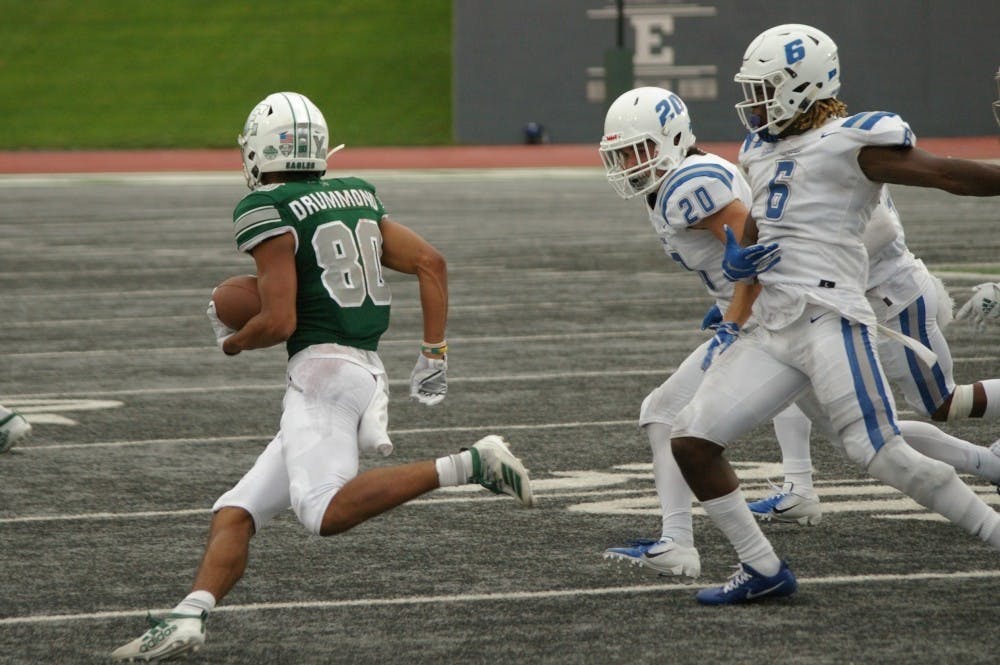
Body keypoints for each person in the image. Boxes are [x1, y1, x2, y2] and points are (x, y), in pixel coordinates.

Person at [111, 91, 533, 661]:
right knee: (236, 509)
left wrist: (235, 338)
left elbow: (279, 319)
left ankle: (471, 463)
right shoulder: (354, 194)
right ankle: (192, 613)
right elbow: (431, 262)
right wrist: (434, 353)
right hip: (361, 367)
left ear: (260, 150)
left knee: (322, 512)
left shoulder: (265, 209)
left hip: (322, 372)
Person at [669, 23, 1000, 605]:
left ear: (802, 86)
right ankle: (763, 568)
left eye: (765, 88)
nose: (752, 101)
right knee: (691, 441)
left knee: (879, 451)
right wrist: (739, 282)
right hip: (774, 326)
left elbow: (944, 173)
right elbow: (758, 225)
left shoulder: (852, 142)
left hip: (830, 317)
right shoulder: (759, 148)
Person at [596, 86, 795, 579]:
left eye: (638, 149)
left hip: (771, 321)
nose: (629, 162)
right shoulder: (679, 180)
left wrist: (734, 317)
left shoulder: (690, 183)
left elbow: (761, 253)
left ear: (673, 138)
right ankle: (678, 540)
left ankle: (682, 542)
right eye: (621, 153)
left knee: (879, 441)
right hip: (763, 317)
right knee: (870, 439)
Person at [750, 191, 1000, 522]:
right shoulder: (786, 154)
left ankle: (992, 465)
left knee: (943, 404)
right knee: (794, 374)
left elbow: (882, 227)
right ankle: (798, 488)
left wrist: (808, 275)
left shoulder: (839, 147)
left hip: (890, 301)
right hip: (849, 302)